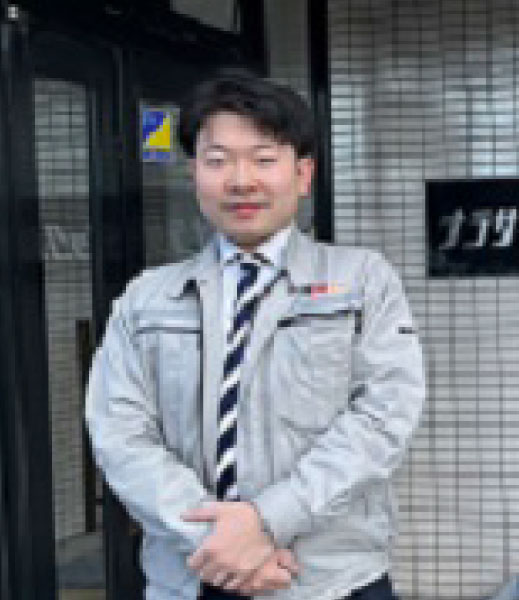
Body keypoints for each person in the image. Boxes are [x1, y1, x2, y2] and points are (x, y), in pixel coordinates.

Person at [85, 71, 425, 600]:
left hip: (329, 580)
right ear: (195, 173)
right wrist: (221, 542)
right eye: (218, 160)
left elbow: (384, 417)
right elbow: (119, 432)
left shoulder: (363, 281)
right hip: (191, 576)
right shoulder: (147, 298)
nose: (241, 181)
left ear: (303, 174)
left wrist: (269, 520)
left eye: (264, 159)